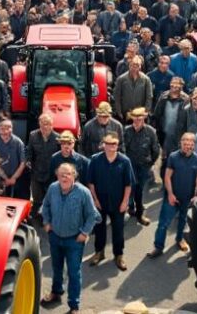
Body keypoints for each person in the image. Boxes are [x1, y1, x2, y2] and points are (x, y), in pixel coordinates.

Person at [39, 162, 99, 314]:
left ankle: (74, 305)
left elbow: (92, 215)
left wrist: (84, 233)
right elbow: (45, 206)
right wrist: (46, 222)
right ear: (57, 176)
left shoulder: (83, 192)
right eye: (61, 174)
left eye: (68, 174)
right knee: (56, 268)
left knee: (74, 272)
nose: (64, 177)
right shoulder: (53, 188)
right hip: (55, 237)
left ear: (74, 176)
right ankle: (56, 292)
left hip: (74, 240)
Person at [149, 133, 197, 258]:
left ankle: (179, 240)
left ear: (194, 145)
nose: (188, 147)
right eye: (185, 144)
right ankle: (158, 247)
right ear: (181, 143)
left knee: (182, 221)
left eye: (190, 144)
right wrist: (170, 194)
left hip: (188, 197)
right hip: (173, 197)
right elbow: (167, 177)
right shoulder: (173, 157)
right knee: (163, 223)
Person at [86, 134, 134, 270]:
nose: (112, 146)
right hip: (100, 202)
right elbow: (91, 183)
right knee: (99, 229)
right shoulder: (95, 160)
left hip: (118, 203)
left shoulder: (124, 161)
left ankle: (118, 255)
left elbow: (128, 184)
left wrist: (125, 202)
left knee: (118, 230)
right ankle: (99, 253)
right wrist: (95, 200)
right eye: (109, 144)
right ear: (103, 145)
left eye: (115, 144)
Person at [122, 107, 160, 226]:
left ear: (144, 118)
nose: (137, 120)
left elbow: (156, 150)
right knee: (130, 188)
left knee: (139, 190)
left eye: (140, 118)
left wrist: (150, 163)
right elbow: (122, 148)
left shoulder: (151, 131)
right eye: (135, 118)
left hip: (143, 166)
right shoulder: (126, 131)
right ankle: (131, 207)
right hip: (130, 166)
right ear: (132, 118)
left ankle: (139, 214)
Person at [25, 114, 59, 219]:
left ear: (52, 125)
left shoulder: (58, 138)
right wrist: (28, 160)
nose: (45, 127)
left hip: (51, 174)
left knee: (50, 198)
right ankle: (35, 216)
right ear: (39, 124)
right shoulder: (33, 135)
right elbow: (28, 151)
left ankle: (48, 217)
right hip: (37, 173)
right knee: (36, 198)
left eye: (48, 124)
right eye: (43, 124)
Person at [0, 119, 27, 199]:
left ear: (12, 129)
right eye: (2, 128)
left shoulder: (18, 143)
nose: (5, 131)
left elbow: (23, 163)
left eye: (8, 128)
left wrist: (13, 178)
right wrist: (5, 179)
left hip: (16, 180)